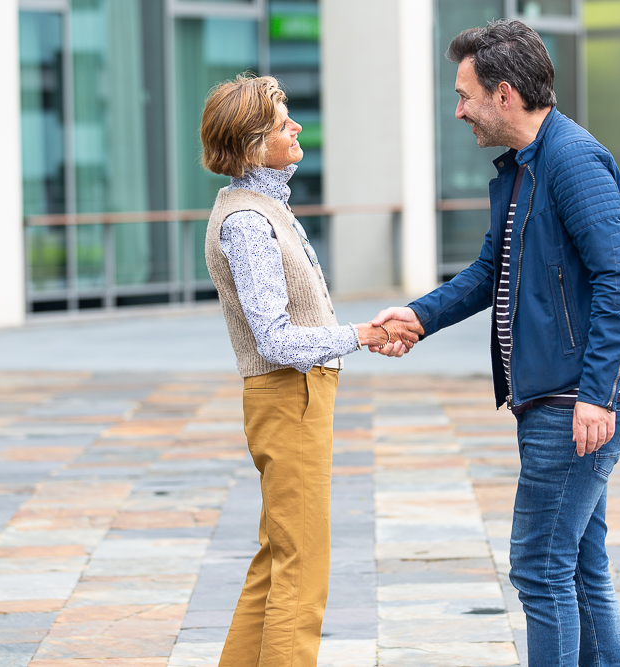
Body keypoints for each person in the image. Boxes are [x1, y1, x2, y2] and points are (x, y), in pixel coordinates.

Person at [372, 20, 620, 667]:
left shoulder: (572, 161)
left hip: (574, 404)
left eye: (465, 93)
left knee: (540, 565)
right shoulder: (524, 168)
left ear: (503, 94)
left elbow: (619, 279)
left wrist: (597, 395)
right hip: (562, 400)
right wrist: (416, 316)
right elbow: (487, 273)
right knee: (578, 564)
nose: (458, 108)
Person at [200, 73, 415, 667]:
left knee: (279, 557)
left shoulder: (265, 207)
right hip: (286, 394)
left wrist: (353, 340)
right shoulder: (248, 220)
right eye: (281, 120)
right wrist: (360, 336)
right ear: (250, 141)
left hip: (295, 395)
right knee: (303, 565)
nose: (295, 126)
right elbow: (273, 338)